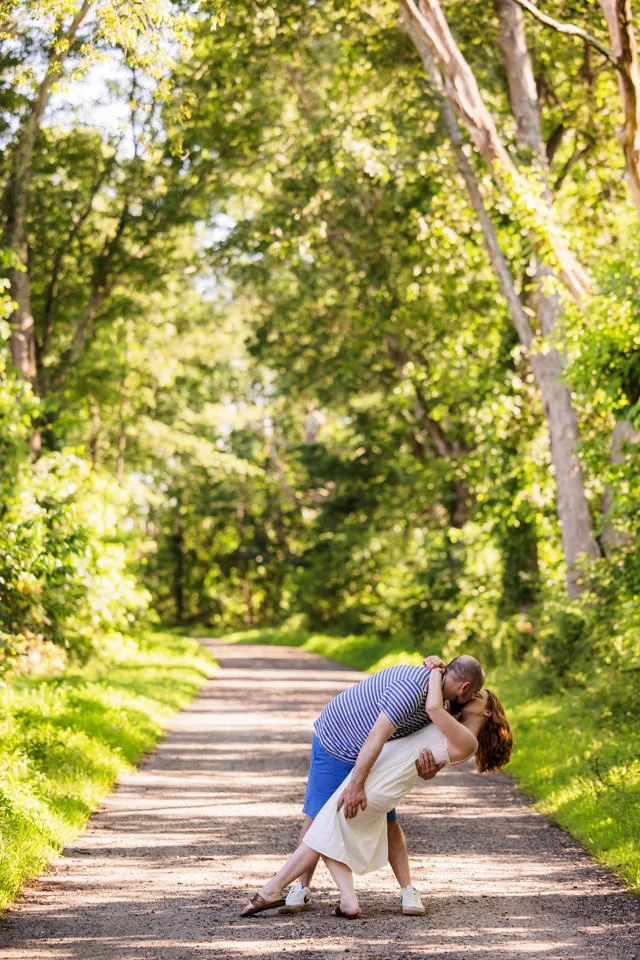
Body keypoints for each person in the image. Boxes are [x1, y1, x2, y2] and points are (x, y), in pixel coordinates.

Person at [240, 664, 512, 918]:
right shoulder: (451, 717)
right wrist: (440, 671)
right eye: (475, 691)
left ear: (487, 713)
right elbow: (429, 743)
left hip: (380, 779)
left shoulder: (465, 738)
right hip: (382, 775)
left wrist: (436, 670)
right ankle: (343, 900)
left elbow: (432, 708)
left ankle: (272, 891)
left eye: (481, 696)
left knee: (324, 827)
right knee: (330, 827)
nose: (476, 695)